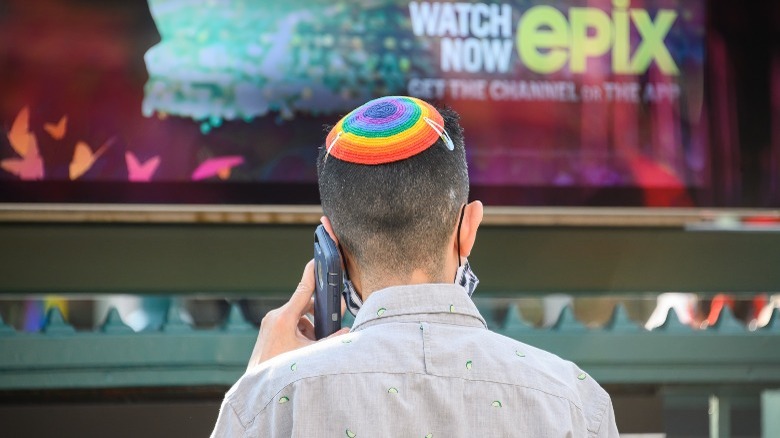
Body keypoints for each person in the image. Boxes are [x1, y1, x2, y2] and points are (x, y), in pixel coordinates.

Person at [211, 96, 619, 437]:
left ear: (330, 246)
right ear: (469, 227)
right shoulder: (577, 404)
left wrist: (260, 384)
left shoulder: (270, 403)